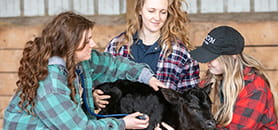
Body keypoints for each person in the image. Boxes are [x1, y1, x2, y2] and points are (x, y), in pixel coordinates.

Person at [3, 11, 167, 129]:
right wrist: (123, 124)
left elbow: (112, 64)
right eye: (87, 41)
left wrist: (147, 77)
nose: (94, 44)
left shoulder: (78, 61)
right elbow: (80, 128)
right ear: (69, 47)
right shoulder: (51, 86)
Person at [190, 26, 278, 129]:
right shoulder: (213, 77)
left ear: (232, 56)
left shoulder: (254, 89)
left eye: (213, 57)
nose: (208, 62)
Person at [104, 0, 200, 91]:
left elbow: (190, 99)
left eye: (163, 12)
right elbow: (102, 82)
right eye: (151, 11)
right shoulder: (117, 46)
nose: (157, 18)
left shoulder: (180, 53)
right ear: (139, 10)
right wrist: (95, 97)